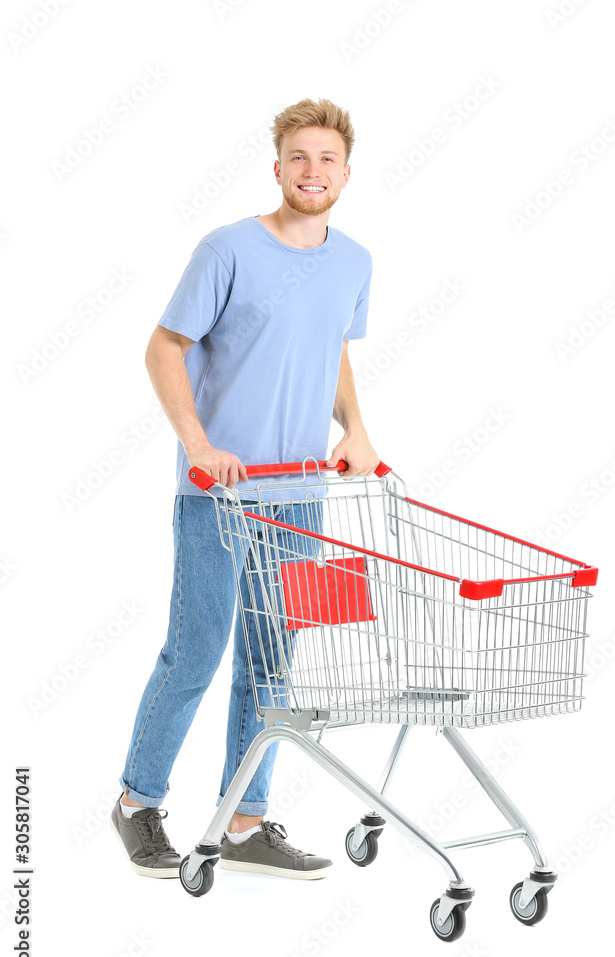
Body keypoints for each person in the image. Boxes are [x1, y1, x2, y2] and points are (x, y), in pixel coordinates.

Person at [110, 97, 379, 880]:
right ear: (277, 168)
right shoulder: (226, 248)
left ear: (346, 172)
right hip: (221, 494)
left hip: (300, 492)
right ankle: (137, 801)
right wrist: (199, 446)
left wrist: (354, 428)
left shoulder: (355, 261)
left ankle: (243, 821)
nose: (312, 171)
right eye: (298, 158)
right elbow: (164, 348)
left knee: (272, 659)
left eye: (326, 159)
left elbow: (332, 352)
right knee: (196, 651)